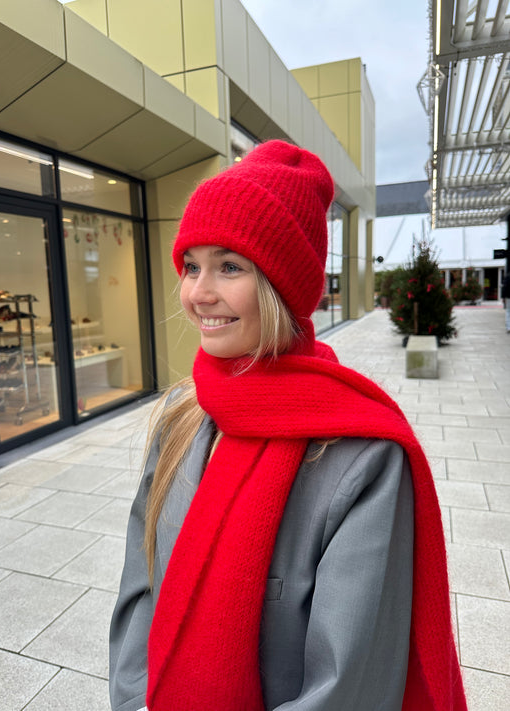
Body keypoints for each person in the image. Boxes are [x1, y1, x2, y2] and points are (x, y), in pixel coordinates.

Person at [109, 140, 467, 711]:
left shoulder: (363, 457)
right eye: (192, 265)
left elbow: (347, 683)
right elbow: (139, 594)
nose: (199, 294)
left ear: (283, 285)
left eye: (230, 266)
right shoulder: (181, 417)